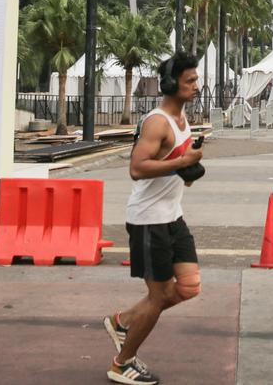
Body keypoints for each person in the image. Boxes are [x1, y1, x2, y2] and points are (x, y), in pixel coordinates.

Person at [103, 52, 203, 385]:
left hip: (173, 217)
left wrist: (189, 169)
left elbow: (174, 169)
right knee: (159, 296)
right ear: (171, 84)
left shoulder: (182, 120)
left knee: (188, 287)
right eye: (189, 80)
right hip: (148, 221)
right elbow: (136, 169)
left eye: (196, 79)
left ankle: (123, 321)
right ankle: (122, 362)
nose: (196, 85)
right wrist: (180, 163)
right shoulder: (157, 121)